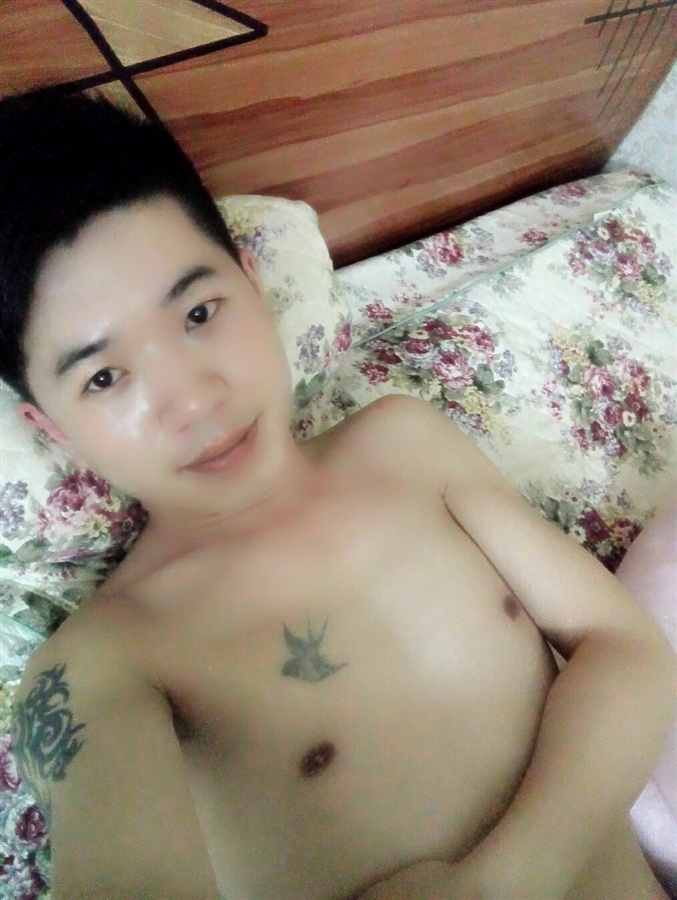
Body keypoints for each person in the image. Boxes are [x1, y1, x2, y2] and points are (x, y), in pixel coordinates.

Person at [1, 90, 674, 900]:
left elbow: (625, 647)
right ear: (53, 427)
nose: (195, 399)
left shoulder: (404, 445)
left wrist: (511, 876)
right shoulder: (103, 666)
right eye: (105, 377)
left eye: (200, 312)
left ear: (253, 283)